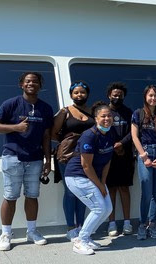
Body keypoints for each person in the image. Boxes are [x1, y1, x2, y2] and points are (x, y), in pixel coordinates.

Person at [0, 72, 53, 251]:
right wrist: (16, 127)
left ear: (40, 85)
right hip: (12, 157)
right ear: (22, 84)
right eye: (28, 81)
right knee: (10, 196)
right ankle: (6, 233)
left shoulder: (45, 108)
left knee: (32, 196)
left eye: (35, 81)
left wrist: (47, 159)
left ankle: (31, 231)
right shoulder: (10, 104)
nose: (31, 84)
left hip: (35, 159)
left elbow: (46, 135)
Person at [64, 102, 115, 255]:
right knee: (99, 208)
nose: (107, 119)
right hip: (77, 176)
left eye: (109, 116)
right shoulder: (89, 135)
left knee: (108, 209)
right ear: (96, 118)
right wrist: (99, 186)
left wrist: (103, 182)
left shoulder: (110, 134)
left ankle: (87, 237)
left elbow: (107, 161)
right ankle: (81, 241)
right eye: (103, 116)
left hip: (95, 177)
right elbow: (86, 166)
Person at [51, 81, 95, 241]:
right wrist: (66, 140)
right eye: (76, 92)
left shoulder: (92, 111)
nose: (79, 95)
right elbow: (53, 133)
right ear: (71, 95)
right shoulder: (65, 111)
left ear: (87, 94)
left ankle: (82, 226)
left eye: (82, 92)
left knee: (83, 191)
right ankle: (71, 228)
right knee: (70, 192)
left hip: (87, 156)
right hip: (67, 157)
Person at [131, 85, 156, 239]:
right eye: (150, 95)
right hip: (145, 152)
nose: (153, 98)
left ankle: (152, 225)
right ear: (145, 97)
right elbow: (134, 137)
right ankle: (142, 224)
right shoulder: (138, 114)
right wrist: (144, 156)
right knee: (146, 191)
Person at [106, 82, 134, 236]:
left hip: (125, 156)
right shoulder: (104, 112)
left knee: (124, 189)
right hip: (109, 156)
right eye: (115, 95)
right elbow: (101, 130)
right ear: (109, 95)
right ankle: (111, 223)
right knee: (111, 190)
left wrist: (121, 144)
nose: (117, 97)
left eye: (120, 95)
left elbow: (133, 132)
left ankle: (127, 222)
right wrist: (113, 145)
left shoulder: (129, 112)